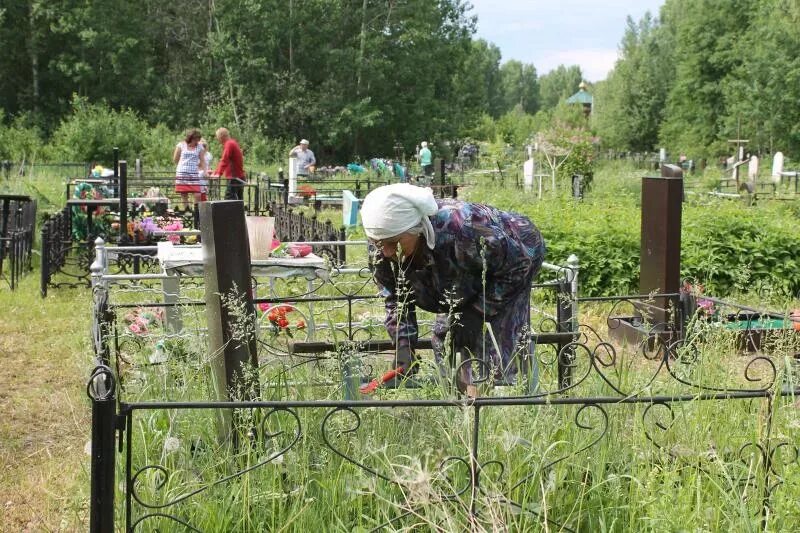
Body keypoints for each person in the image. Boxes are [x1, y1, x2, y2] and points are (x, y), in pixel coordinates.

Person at [361, 183, 545, 388]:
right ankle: (457, 397)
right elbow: (396, 298)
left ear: (418, 229)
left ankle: (506, 398)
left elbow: (519, 263)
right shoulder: (381, 246)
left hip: (515, 255)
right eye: (378, 243)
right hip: (459, 267)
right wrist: (404, 346)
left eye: (393, 242)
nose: (386, 251)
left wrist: (478, 310)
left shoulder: (462, 229)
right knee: (448, 336)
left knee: (497, 340)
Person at [173, 129, 206, 211]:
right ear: (191, 138)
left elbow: (202, 160)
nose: (197, 141)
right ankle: (187, 210)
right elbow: (175, 159)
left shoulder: (200, 147)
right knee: (184, 194)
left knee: (197, 194)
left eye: (198, 139)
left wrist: (205, 171)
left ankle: (196, 211)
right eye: (196, 139)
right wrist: (182, 166)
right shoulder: (181, 145)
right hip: (182, 173)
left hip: (194, 173)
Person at [212, 127, 245, 201]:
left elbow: (225, 159)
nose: (218, 140)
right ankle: (239, 212)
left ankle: (230, 212)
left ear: (222, 136)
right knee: (238, 201)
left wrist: (218, 174)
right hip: (239, 176)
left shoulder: (229, 144)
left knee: (229, 199)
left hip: (234, 177)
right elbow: (224, 160)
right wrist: (215, 172)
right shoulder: (232, 142)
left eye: (218, 137)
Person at [198, 137, 213, 201]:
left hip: (206, 173)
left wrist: (208, 172)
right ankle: (202, 204)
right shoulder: (197, 154)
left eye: (204, 146)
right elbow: (198, 166)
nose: (203, 147)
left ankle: (204, 203)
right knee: (201, 190)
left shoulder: (208, 155)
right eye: (202, 146)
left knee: (205, 189)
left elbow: (209, 165)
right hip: (199, 174)